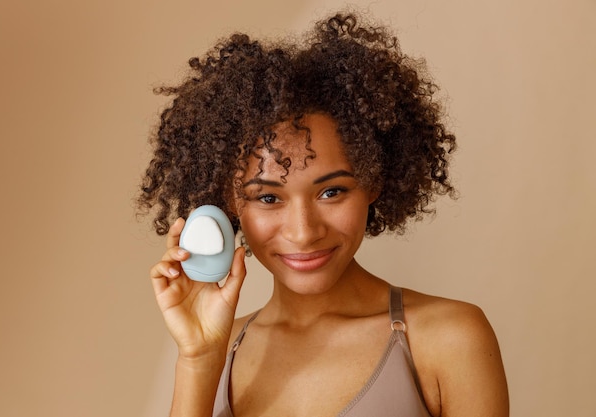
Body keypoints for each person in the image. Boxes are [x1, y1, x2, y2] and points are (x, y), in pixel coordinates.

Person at [138, 11, 509, 417]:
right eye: (267, 198)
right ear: (229, 203)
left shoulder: (449, 338)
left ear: (374, 181)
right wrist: (199, 357)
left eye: (331, 191)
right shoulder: (218, 348)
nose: (304, 232)